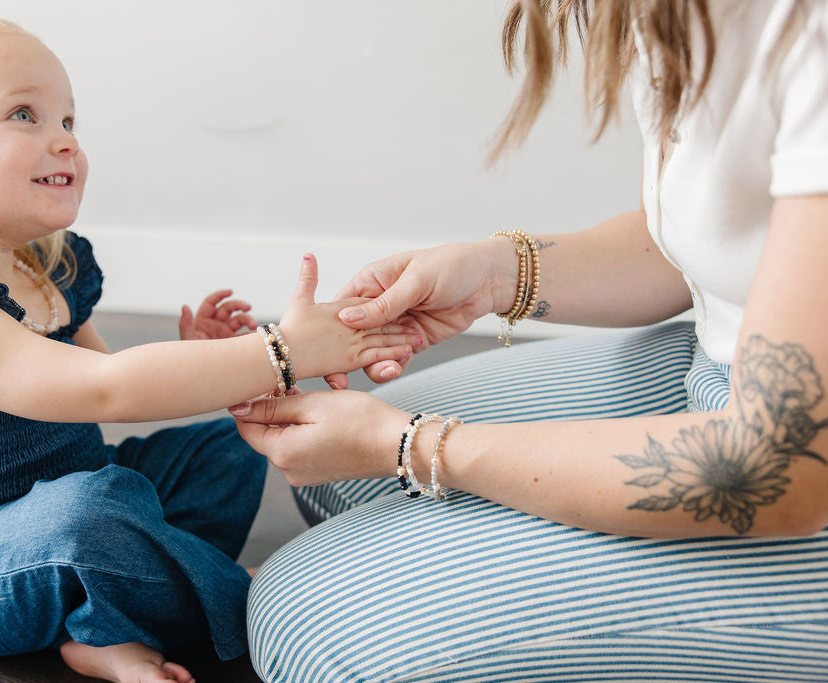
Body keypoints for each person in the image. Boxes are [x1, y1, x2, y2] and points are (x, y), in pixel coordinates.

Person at [232, 1, 828, 680]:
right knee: (348, 486)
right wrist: (494, 273)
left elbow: (775, 467)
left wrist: (413, 444)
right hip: (726, 368)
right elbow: (725, 235)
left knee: (313, 633)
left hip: (794, 468)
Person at [0, 3, 418, 682]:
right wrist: (281, 351)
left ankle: (118, 599)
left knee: (231, 447)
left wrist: (204, 357)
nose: (64, 140)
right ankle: (256, 599)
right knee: (85, 519)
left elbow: (102, 378)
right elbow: (106, 390)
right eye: (24, 114)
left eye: (68, 120)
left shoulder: (41, 268)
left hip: (78, 490)